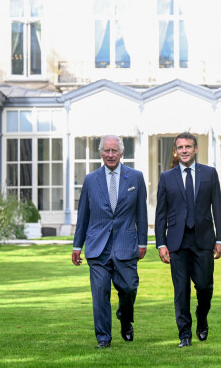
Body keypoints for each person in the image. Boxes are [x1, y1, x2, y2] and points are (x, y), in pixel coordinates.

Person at [72, 135, 148, 349]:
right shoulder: (90, 180)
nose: (111, 154)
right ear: (100, 152)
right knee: (100, 293)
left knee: (129, 287)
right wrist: (77, 246)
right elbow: (83, 216)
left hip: (126, 243)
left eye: (114, 150)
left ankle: (125, 318)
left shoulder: (135, 177)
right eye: (107, 150)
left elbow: (141, 213)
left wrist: (143, 242)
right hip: (97, 247)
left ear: (122, 152)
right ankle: (103, 338)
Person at [155, 132, 221, 348]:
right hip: (177, 242)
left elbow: (218, 207)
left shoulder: (209, 174)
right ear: (175, 152)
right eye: (180, 147)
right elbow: (161, 213)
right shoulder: (166, 177)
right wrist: (161, 243)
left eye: (188, 146)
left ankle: (202, 317)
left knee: (205, 286)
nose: (184, 150)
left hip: (203, 240)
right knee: (181, 290)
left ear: (196, 149)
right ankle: (184, 334)